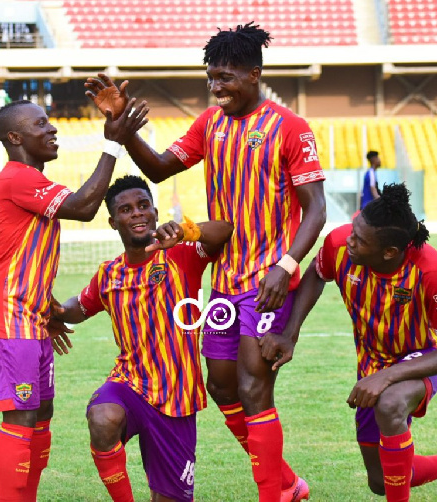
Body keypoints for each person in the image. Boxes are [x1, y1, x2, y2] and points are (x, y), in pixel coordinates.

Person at [84, 22, 326, 502]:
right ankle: (288, 485)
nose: (216, 87)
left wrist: (287, 265)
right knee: (221, 389)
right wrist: (126, 129)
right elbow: (157, 167)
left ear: (254, 74)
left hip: (267, 281)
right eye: (211, 78)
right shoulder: (209, 125)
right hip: (224, 285)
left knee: (255, 390)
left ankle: (273, 495)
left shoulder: (290, 128)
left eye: (226, 77)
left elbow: (317, 208)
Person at [0, 98, 148, 502]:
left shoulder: (27, 183)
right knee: (22, 416)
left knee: (41, 415)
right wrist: (113, 144)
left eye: (50, 122)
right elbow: (83, 208)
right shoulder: (17, 177)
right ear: (15, 137)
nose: (52, 129)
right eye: (40, 124)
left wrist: (44, 307)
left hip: (29, 315)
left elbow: (12, 254)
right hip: (5, 317)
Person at [262, 183, 437, 502]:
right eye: (353, 230)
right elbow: (317, 271)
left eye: (359, 239)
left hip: (426, 356)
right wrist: (290, 333)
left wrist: (387, 376)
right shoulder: (340, 244)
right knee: (381, 480)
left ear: (389, 252)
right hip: (372, 363)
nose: (348, 240)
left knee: (390, 402)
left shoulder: (430, 270)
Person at [51, 175, 233, 502]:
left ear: (154, 212)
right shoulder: (109, 273)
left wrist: (186, 230)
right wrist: (53, 312)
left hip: (177, 397)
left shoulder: (182, 255)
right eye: (126, 209)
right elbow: (79, 306)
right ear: (112, 222)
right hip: (130, 384)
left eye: (143, 206)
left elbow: (225, 231)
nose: (136, 213)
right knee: (103, 418)